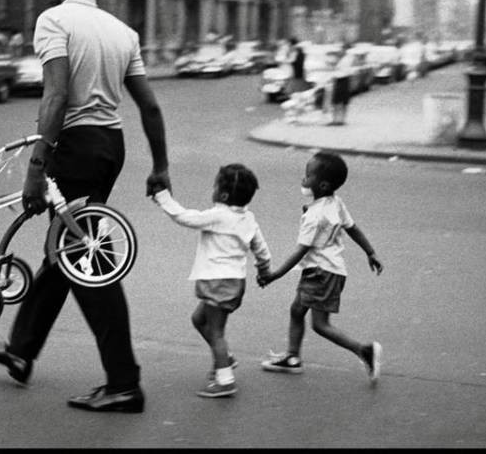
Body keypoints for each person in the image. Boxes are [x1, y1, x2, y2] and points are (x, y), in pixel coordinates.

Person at [0, 0, 171, 414]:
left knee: (85, 260)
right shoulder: (122, 32)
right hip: (110, 146)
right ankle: (21, 350)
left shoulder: (54, 21)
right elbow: (149, 106)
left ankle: (124, 382)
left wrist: (36, 165)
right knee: (65, 250)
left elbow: (56, 96)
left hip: (76, 146)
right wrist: (160, 167)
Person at [258, 151, 384, 383]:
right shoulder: (335, 203)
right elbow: (352, 228)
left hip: (320, 272)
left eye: (308, 176)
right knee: (297, 310)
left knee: (320, 325)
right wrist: (370, 252)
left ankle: (364, 350)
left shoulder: (314, 216)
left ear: (323, 184)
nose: (303, 179)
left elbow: (301, 250)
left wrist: (274, 275)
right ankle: (292, 357)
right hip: (329, 270)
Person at [151, 164, 272, 398]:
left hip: (218, 282)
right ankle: (225, 358)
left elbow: (183, 217)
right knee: (198, 320)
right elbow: (261, 249)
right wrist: (264, 270)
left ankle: (225, 380)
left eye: (215, 186)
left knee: (216, 332)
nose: (213, 189)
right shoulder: (248, 218)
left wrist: (162, 197)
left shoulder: (218, 216)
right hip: (234, 282)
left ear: (223, 195)